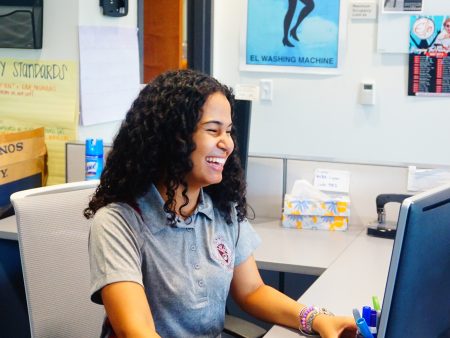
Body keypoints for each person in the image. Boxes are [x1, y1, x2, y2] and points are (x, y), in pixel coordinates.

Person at [84, 69, 357, 338]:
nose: (227, 144)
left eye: (228, 131)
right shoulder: (119, 221)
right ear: (172, 138)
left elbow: (252, 291)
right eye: (213, 130)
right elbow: (136, 331)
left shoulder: (220, 208)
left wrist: (317, 320)